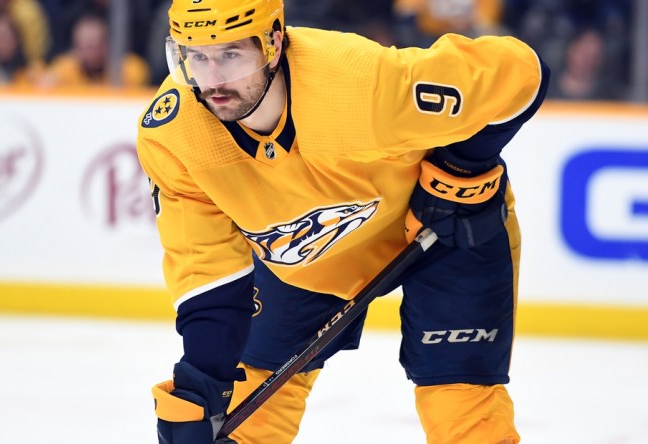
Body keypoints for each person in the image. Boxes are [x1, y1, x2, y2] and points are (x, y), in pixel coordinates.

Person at [136, 0, 549, 442]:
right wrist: (200, 385)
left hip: (441, 229)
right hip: (304, 257)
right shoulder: (176, 136)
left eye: (231, 54)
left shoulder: (358, 85)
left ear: (273, 43)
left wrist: (459, 168)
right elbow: (209, 274)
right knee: (250, 415)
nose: (212, 80)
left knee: (463, 409)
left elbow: (520, 73)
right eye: (195, 56)